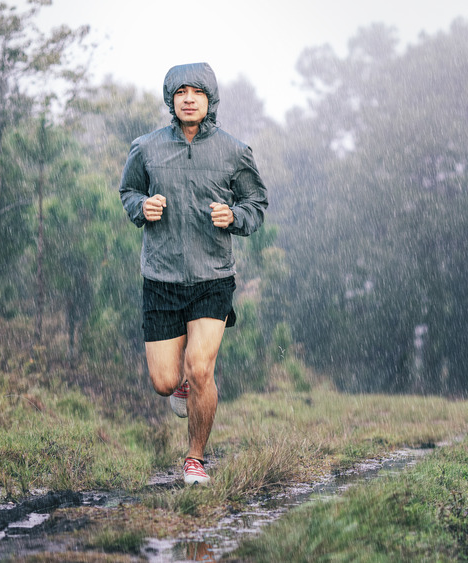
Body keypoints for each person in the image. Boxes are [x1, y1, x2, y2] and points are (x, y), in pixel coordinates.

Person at [119, 62, 268, 485]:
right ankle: (180, 388)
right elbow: (128, 191)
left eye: (197, 92)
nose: (188, 98)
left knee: (201, 367)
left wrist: (234, 215)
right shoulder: (145, 149)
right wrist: (139, 207)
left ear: (210, 100)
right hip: (161, 279)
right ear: (171, 99)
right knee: (166, 382)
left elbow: (256, 205)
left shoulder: (234, 151)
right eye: (180, 92)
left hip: (212, 277)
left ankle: (195, 459)